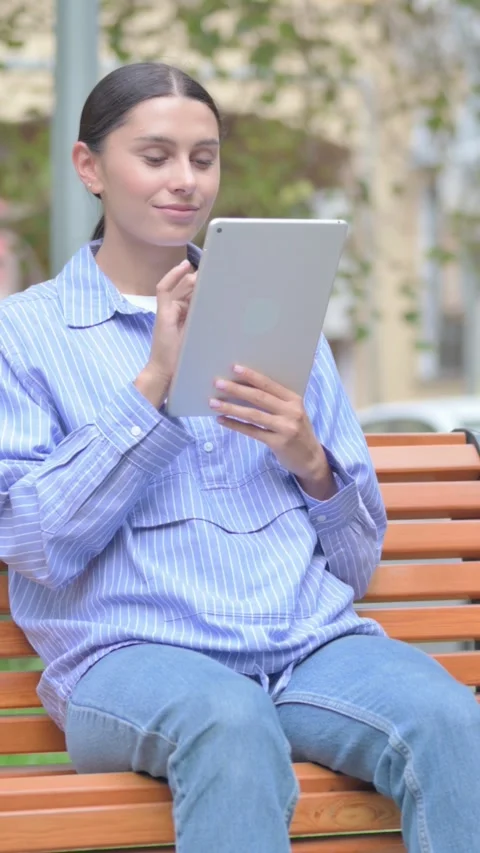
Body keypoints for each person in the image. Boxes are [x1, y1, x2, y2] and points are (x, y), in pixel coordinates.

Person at [0, 62, 478, 853]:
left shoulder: (284, 317)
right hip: (132, 659)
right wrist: (151, 386)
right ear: (90, 167)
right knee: (229, 720)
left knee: (448, 718)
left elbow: (354, 567)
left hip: (305, 647)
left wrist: (309, 458)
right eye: (155, 156)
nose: (185, 180)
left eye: (204, 156)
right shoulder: (25, 335)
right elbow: (34, 544)